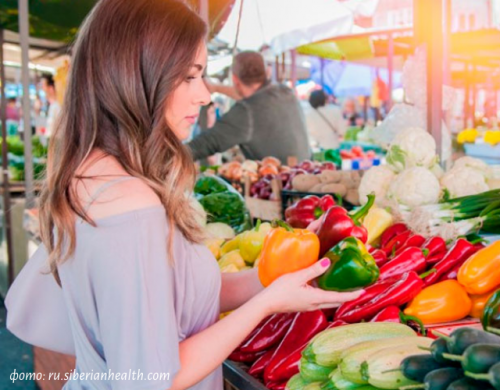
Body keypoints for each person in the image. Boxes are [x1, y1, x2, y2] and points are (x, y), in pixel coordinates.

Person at [5, 1, 360, 390]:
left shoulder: (91, 172)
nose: (206, 95)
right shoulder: (130, 206)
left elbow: (183, 296)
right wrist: (268, 304)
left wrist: (274, 277)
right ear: (138, 76)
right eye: (191, 77)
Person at [188, 51, 311, 165]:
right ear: (267, 72)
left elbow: (204, 145)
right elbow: (250, 95)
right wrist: (215, 87)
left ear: (235, 80)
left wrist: (171, 156)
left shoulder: (246, 112)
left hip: (277, 185)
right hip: (309, 176)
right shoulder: (285, 92)